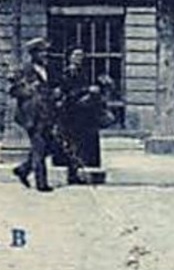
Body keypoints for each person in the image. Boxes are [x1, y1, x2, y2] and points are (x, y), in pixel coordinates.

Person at [8, 37, 55, 192]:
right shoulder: (24, 70)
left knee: (48, 147)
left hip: (46, 114)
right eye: (42, 52)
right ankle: (42, 183)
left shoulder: (47, 69)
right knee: (40, 147)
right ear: (33, 53)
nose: (45, 55)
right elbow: (13, 91)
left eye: (46, 52)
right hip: (31, 115)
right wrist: (27, 91)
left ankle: (23, 169)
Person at [56, 48, 104, 184]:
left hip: (86, 114)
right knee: (73, 145)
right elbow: (66, 92)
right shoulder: (66, 73)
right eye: (76, 55)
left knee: (87, 144)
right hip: (71, 114)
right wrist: (86, 90)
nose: (79, 58)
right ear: (69, 57)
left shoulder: (86, 72)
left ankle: (88, 172)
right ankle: (73, 174)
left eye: (81, 55)